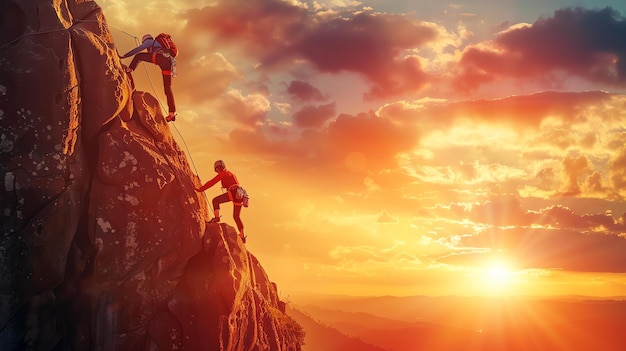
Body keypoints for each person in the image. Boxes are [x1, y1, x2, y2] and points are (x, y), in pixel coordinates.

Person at [120, 34, 177, 122]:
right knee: (168, 88)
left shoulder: (150, 42)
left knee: (139, 56)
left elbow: (137, 50)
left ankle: (130, 69)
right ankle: (172, 113)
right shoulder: (161, 44)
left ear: (145, 40)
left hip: (160, 58)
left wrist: (124, 56)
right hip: (169, 63)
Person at [196, 160, 247, 243]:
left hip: (233, 193)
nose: (218, 171)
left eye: (217, 169)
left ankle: (216, 218)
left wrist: (200, 189)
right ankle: (242, 236)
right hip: (240, 194)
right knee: (236, 216)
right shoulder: (231, 173)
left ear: (217, 168)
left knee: (215, 201)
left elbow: (212, 182)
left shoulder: (223, 173)